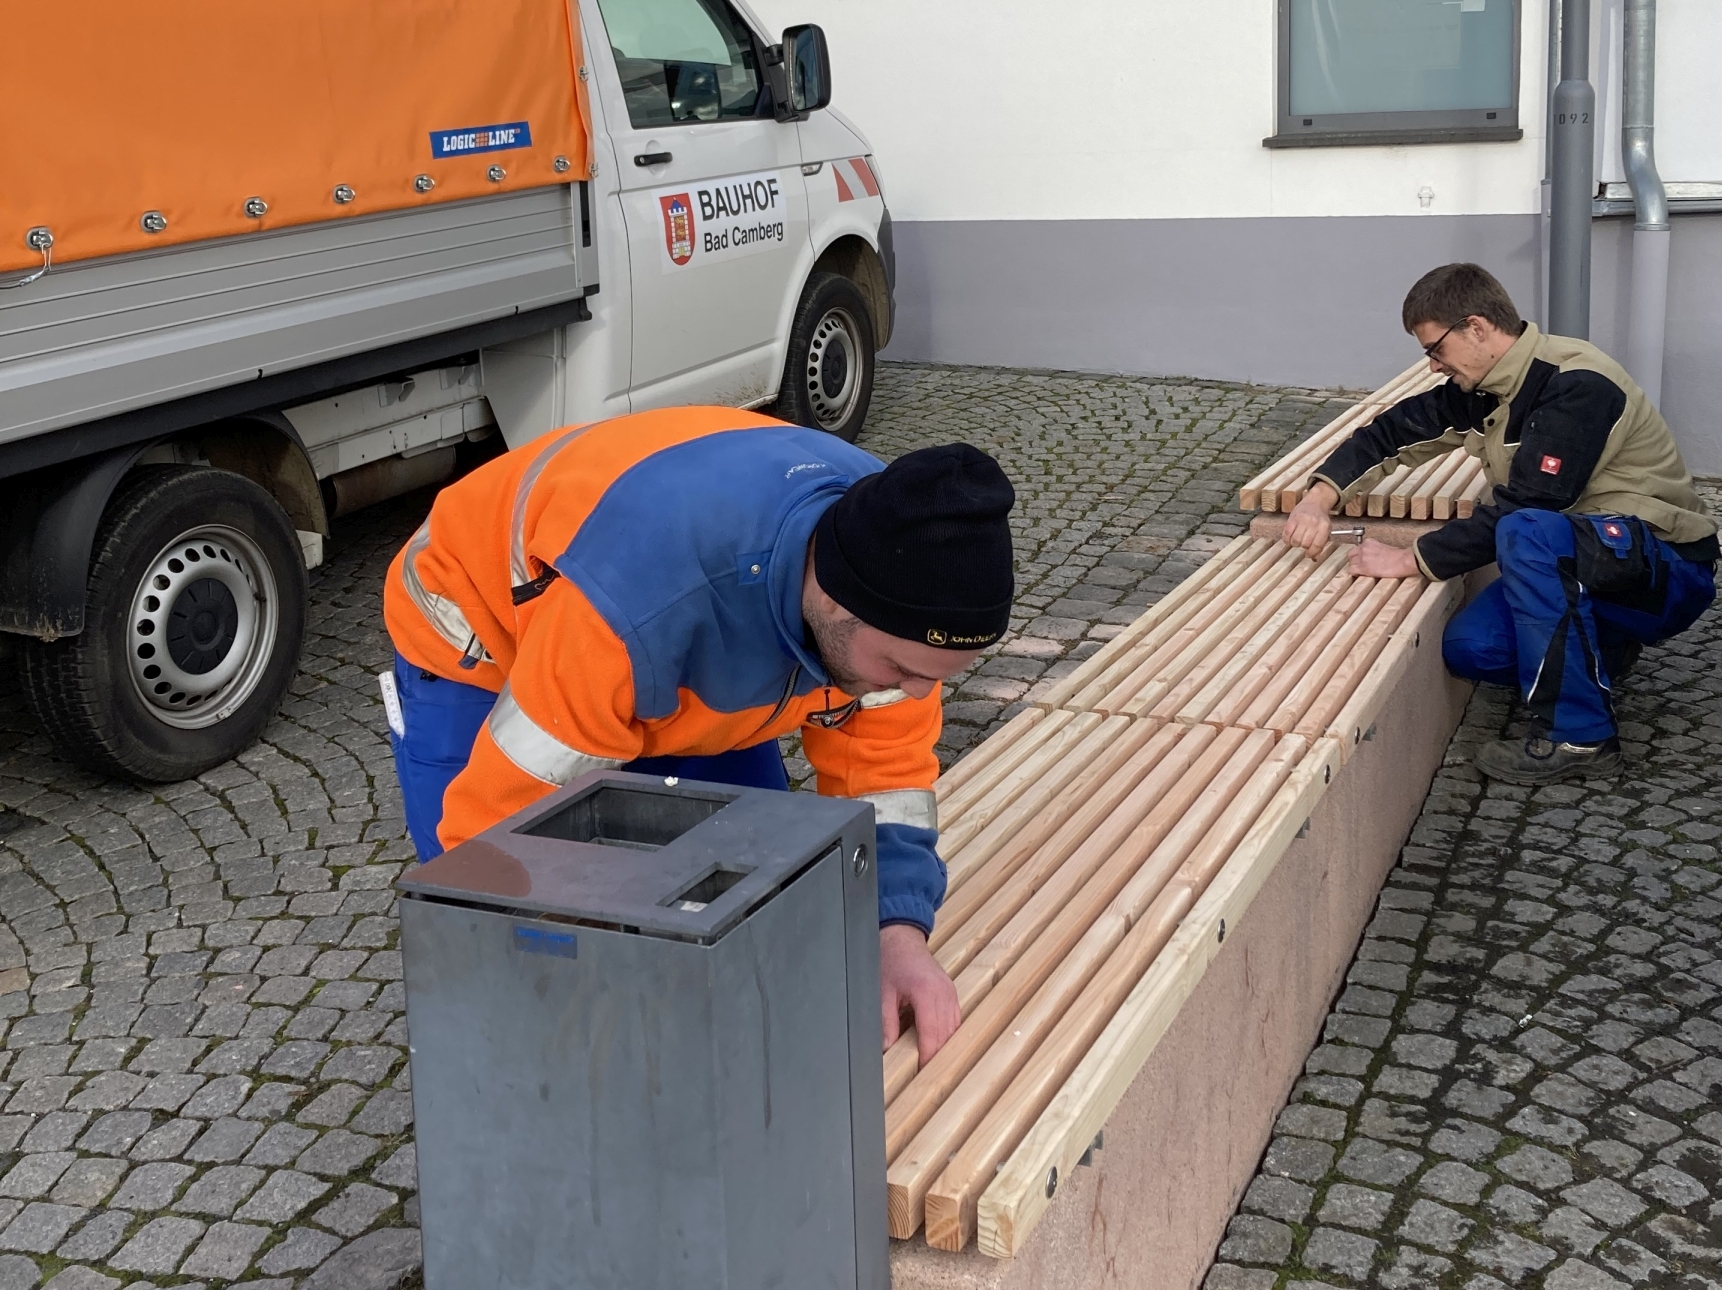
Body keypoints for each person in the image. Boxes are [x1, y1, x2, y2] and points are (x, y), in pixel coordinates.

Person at [382, 405, 1016, 1064]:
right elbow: (503, 830)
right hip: (477, 624)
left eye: (936, 676)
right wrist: (578, 989)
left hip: (683, 627)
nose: (914, 692)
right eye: (900, 671)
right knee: (496, 929)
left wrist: (897, 932)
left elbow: (886, 781)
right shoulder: (635, 606)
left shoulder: (905, 570)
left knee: (746, 901)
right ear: (832, 603)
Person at [1282, 263, 1716, 785]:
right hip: (1583, 562)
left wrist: (1410, 559)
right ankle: (1603, 650)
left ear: (1477, 327)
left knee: (1525, 530)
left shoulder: (1577, 384)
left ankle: (1581, 738)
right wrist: (1318, 498)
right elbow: (1392, 432)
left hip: (1665, 568)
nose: (1433, 367)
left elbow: (1529, 505)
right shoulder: (1485, 386)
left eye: (1435, 349)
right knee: (1472, 648)